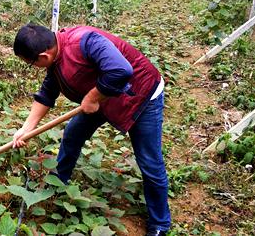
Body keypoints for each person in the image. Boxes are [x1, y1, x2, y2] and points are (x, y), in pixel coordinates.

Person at [12, 24, 170, 236]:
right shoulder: (56, 56)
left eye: (31, 63)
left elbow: (121, 70)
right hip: (105, 96)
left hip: (140, 95)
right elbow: (47, 93)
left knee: (149, 161)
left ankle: (160, 223)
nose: (33, 67)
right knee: (72, 135)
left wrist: (93, 97)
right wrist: (26, 128)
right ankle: (58, 185)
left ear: (44, 55)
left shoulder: (85, 41)